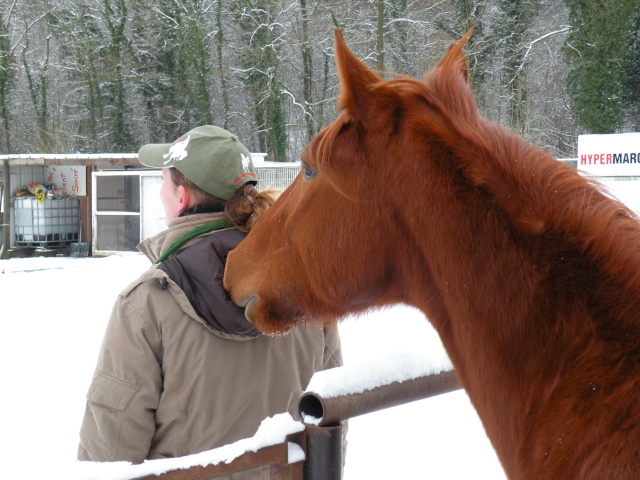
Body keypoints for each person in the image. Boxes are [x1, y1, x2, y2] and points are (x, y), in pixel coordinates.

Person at [78, 125, 343, 472]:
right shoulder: (309, 287)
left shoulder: (147, 303)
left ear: (182, 197)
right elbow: (333, 417)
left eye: (163, 182)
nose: (161, 193)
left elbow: (110, 451)